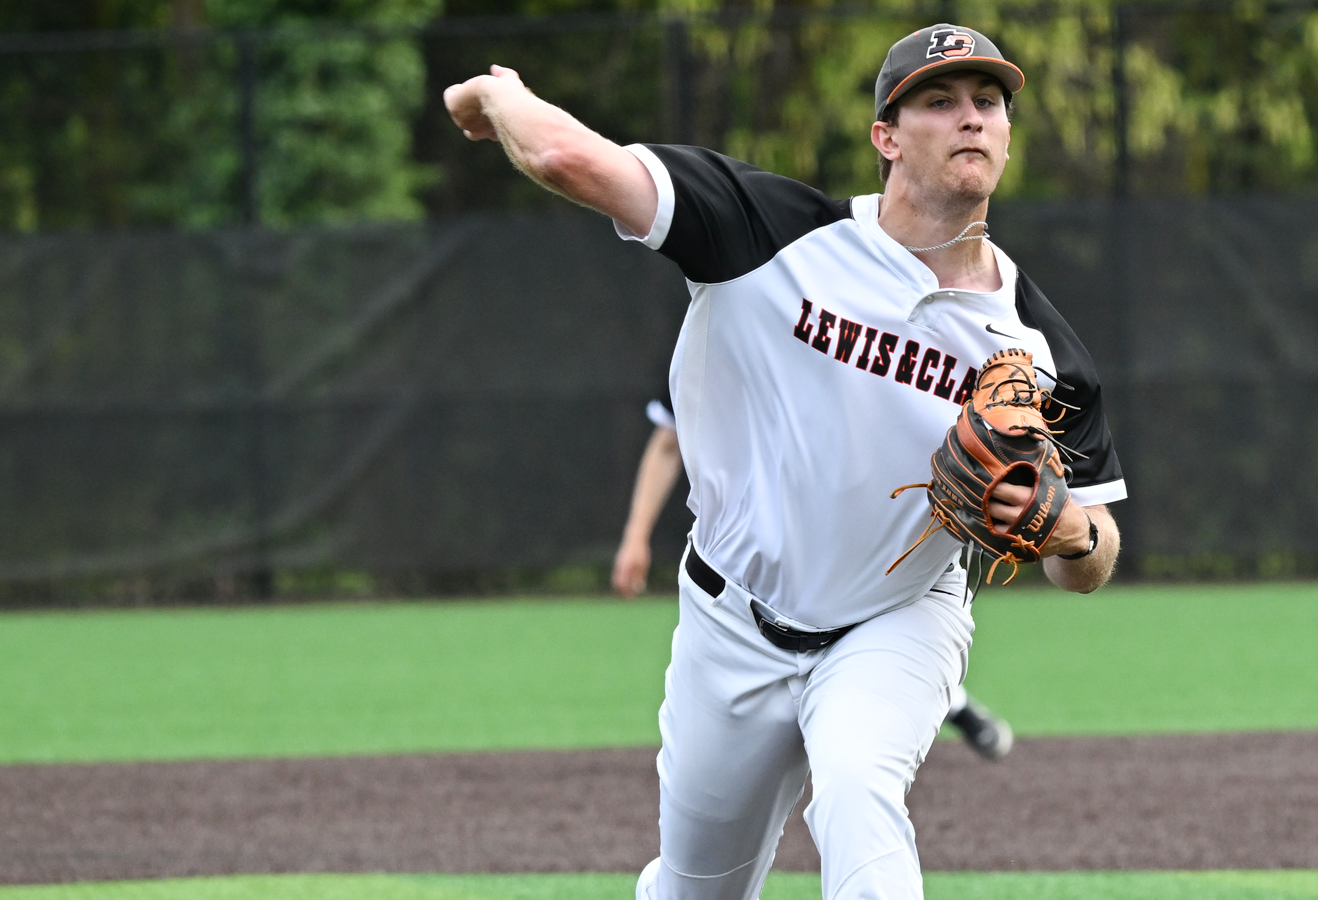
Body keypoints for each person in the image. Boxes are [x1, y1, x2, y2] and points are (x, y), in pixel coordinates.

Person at [444, 22, 1125, 900]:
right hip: (731, 619)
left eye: (988, 102)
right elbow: (568, 161)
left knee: (856, 789)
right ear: (886, 137)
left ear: (1005, 134)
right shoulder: (764, 231)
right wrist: (496, 96)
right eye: (940, 100)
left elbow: (1095, 559)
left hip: (897, 619)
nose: (971, 118)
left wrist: (1070, 531)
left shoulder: (1039, 348)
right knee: (699, 888)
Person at [612, 394, 1016, 761]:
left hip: (855, 536)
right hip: (755, 547)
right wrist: (635, 538)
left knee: (869, 642)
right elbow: (669, 441)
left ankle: (949, 705)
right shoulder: (718, 329)